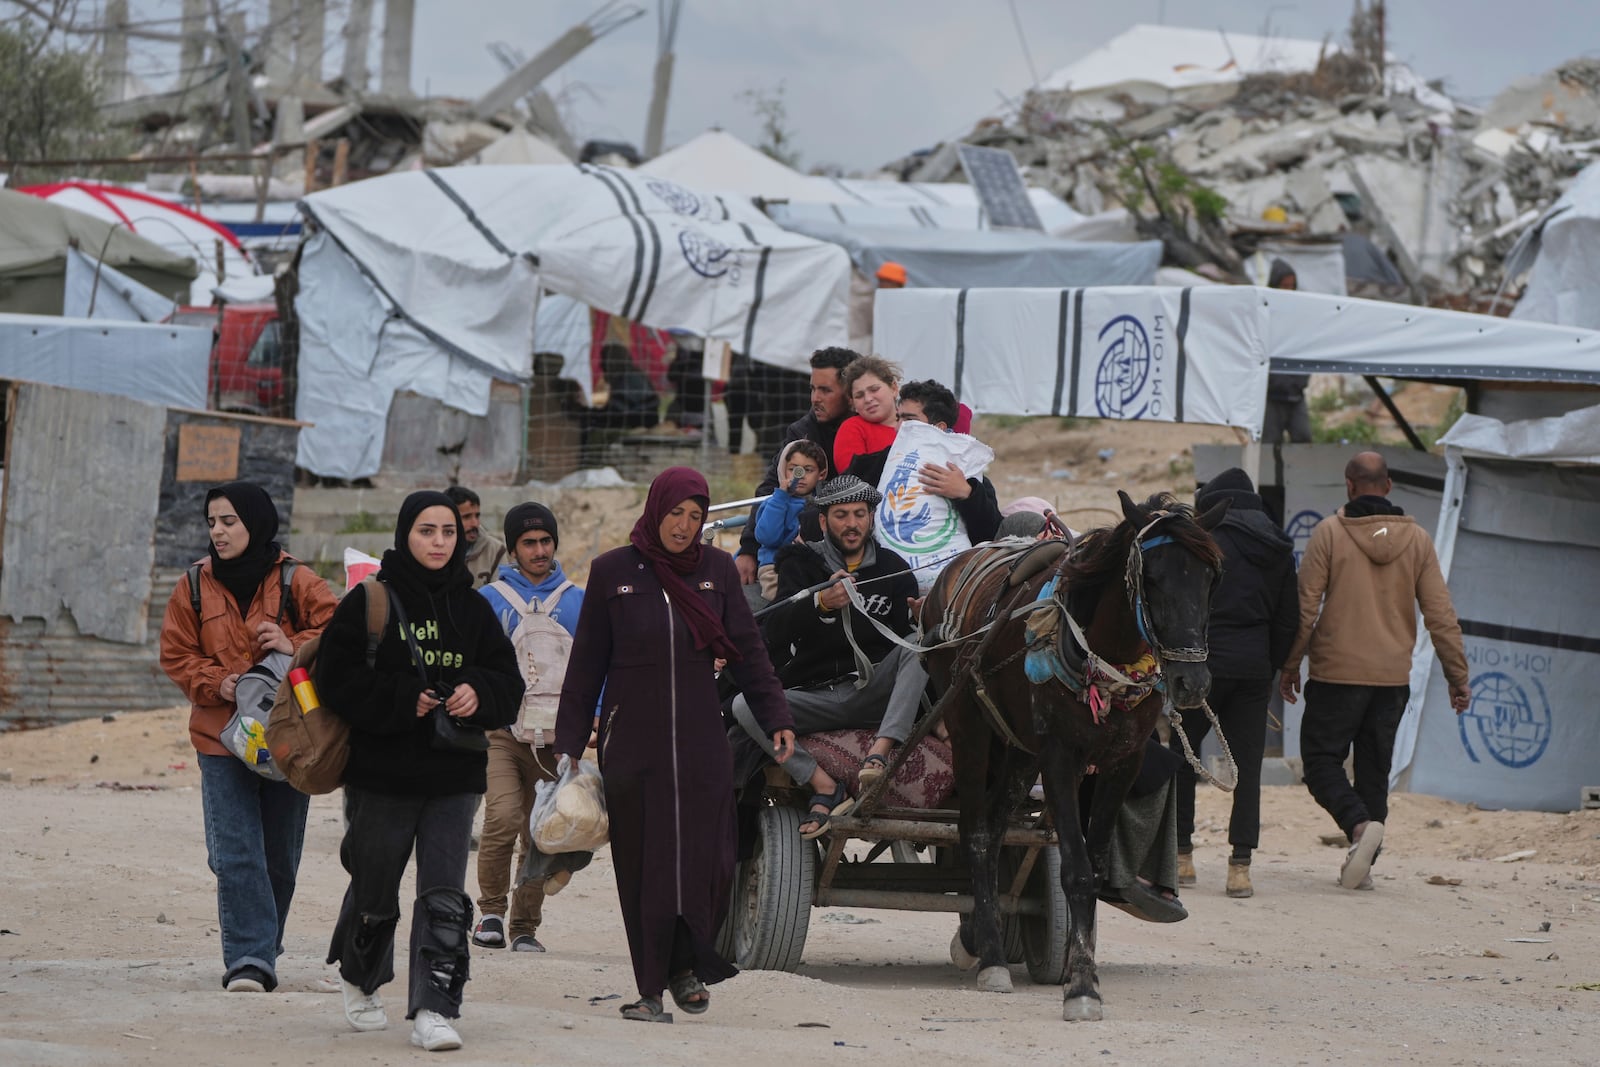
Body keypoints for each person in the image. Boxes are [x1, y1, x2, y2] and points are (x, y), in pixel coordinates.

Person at [553, 468, 794, 1023]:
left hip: (701, 740)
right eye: (675, 513)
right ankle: (651, 987)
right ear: (654, 508)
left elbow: (749, 653)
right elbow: (586, 662)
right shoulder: (613, 571)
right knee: (644, 863)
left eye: (695, 516)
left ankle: (689, 964)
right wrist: (569, 742)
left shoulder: (716, 571)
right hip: (632, 742)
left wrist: (775, 713)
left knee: (708, 856)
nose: (684, 526)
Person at [316, 492, 524, 1051]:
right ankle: (360, 978)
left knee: (444, 895)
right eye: (427, 531)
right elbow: (335, 682)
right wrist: (402, 698)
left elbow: (509, 686)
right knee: (375, 887)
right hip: (382, 774)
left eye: (449, 533)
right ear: (406, 533)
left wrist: (475, 692)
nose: (438, 542)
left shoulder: (475, 608)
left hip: (453, 776)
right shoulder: (369, 601)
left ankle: (436, 1007)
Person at [159, 482, 338, 994]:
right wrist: (220, 682)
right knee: (236, 852)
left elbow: (342, 631)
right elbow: (175, 655)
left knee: (279, 856)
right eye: (212, 521)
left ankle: (263, 943)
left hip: (290, 737)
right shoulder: (192, 585)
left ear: (256, 523)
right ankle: (250, 960)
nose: (218, 531)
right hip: (220, 737)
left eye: (229, 521)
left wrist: (292, 642)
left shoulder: (296, 579)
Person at [1280, 452, 1470, 891]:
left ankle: (1360, 829)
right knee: (1373, 770)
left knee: (1321, 761)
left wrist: (1290, 665)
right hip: (1392, 679)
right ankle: (1363, 861)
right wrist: (1457, 676)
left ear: (1349, 486)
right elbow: (1440, 615)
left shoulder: (1329, 534)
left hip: (1336, 675)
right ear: (1387, 486)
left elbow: (1305, 609)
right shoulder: (1419, 541)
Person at [733, 474, 924, 839]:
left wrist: (919, 614)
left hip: (872, 694)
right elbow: (775, 628)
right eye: (841, 515)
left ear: (870, 518)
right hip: (813, 695)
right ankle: (822, 785)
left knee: (918, 644)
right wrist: (820, 602)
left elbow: (903, 640)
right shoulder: (800, 563)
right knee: (745, 705)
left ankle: (879, 753)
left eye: (859, 514)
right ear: (823, 521)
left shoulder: (895, 568)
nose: (851, 524)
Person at [1170, 468, 1298, 899]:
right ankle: (1239, 866)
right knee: (1247, 768)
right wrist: (1269, 666)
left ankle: (1182, 856)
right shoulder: (1278, 544)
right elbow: (1288, 618)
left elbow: (1182, 605)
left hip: (1202, 664)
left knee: (1184, 758)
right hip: (1253, 667)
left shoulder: (1203, 539)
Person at [473, 502, 585, 954]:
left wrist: (592, 717)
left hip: (558, 740)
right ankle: (491, 914)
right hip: (502, 734)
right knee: (502, 819)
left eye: (545, 541)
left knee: (543, 833)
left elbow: (595, 666)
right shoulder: (489, 601)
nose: (539, 551)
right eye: (528, 543)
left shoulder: (579, 600)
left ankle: (524, 927)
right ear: (512, 550)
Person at [736, 346, 860, 589]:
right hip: (791, 548)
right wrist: (749, 549)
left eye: (825, 390)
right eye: (813, 388)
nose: (815, 398)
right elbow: (770, 487)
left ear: (850, 394)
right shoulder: (801, 432)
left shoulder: (869, 431)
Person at [891, 379, 1003, 543]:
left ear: (939, 428)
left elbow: (992, 535)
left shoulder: (967, 476)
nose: (899, 428)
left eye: (909, 420)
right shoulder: (881, 463)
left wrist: (966, 493)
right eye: (898, 419)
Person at [753, 440, 828, 601]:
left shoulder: (823, 506)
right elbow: (767, 537)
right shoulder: (773, 503)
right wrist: (781, 498)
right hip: (774, 567)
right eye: (793, 469)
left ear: (821, 474)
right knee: (783, 599)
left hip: (811, 565)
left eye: (808, 470)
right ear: (783, 471)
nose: (799, 476)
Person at [1262, 259, 1312, 445]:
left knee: (1303, 438)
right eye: (1284, 286)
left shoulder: (1298, 315)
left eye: (1292, 286)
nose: (1288, 291)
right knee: (1270, 444)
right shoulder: (1266, 314)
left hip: (1295, 394)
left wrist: (1300, 381)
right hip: (1272, 396)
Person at [832, 355, 902, 476]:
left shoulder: (915, 422)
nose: (868, 399)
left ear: (894, 388)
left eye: (874, 389)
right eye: (859, 395)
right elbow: (852, 481)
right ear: (852, 403)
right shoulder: (852, 428)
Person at [444, 485, 506, 589]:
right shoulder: (436, 549)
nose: (475, 523)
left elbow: (501, 596)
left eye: (477, 516)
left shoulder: (495, 550)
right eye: (466, 517)